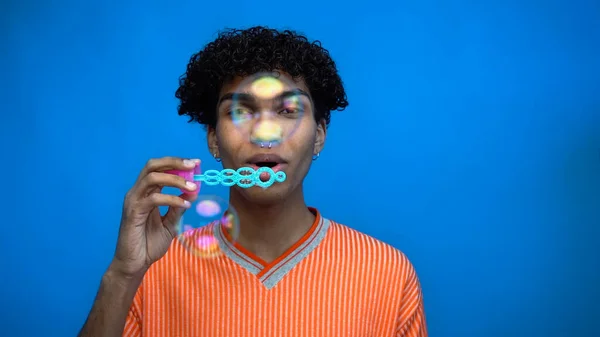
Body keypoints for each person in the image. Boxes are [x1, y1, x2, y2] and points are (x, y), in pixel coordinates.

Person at [78, 26, 427, 337]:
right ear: (214, 138)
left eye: (288, 111)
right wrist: (123, 274)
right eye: (241, 112)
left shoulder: (388, 272)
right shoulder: (149, 272)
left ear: (319, 135)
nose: (264, 132)